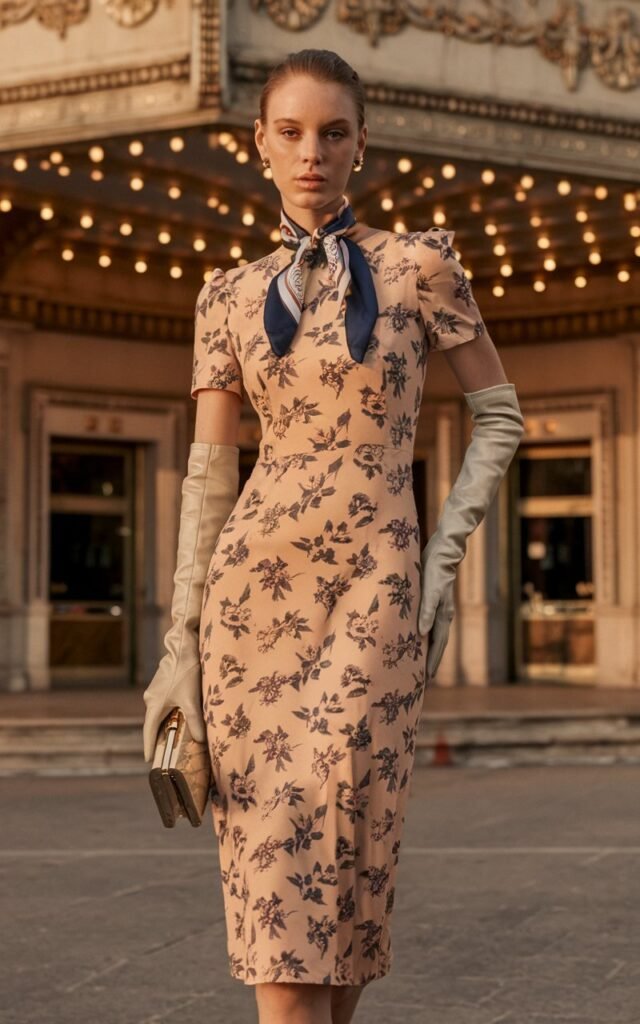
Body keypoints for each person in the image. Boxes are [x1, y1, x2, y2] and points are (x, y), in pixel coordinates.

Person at [143, 48, 524, 1024]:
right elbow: (208, 474)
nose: (312, 152)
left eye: (334, 132)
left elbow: (500, 415)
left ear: (362, 144)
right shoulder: (227, 295)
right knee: (279, 873)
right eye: (291, 131)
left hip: (374, 601)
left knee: (341, 870)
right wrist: (179, 645)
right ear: (258, 144)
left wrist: (436, 565)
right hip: (249, 609)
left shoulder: (417, 266)